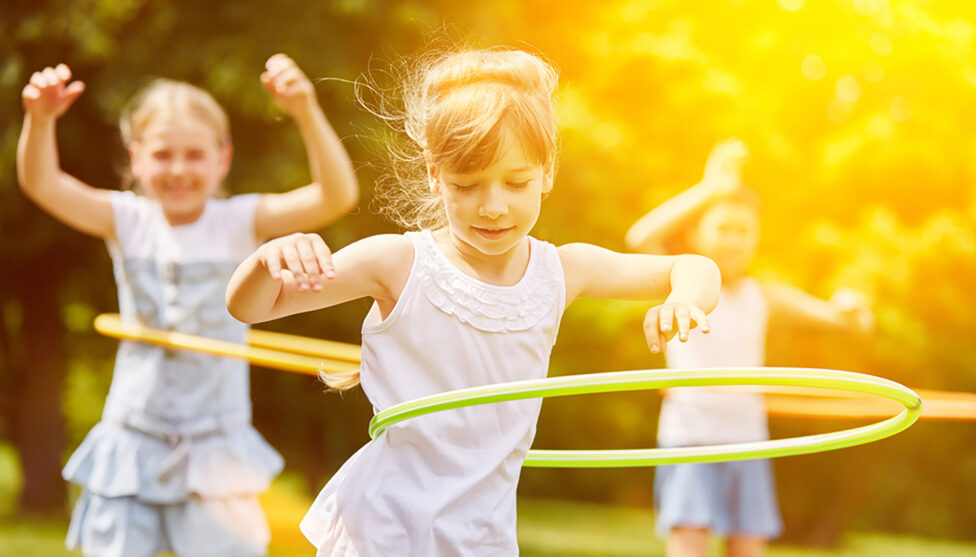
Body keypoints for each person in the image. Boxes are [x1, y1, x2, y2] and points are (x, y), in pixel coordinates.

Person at [225, 47, 723, 556]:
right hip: (386, 528)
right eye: (467, 184)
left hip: (482, 533)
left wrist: (684, 299)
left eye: (517, 182)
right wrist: (268, 261)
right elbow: (251, 308)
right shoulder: (397, 263)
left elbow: (697, 267)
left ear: (547, 171)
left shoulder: (562, 271)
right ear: (435, 174)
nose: (493, 206)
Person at [16, 54, 359, 557]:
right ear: (136, 159)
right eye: (162, 155)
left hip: (215, 443)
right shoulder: (127, 219)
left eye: (195, 155)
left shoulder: (241, 220)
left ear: (223, 158)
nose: (178, 169)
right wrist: (40, 119)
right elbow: (43, 184)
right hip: (134, 435)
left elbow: (336, 195)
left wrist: (306, 111)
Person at [625, 139, 875, 557]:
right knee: (689, 548)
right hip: (691, 441)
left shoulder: (765, 296)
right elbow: (639, 238)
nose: (734, 241)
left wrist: (852, 307)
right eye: (723, 228)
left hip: (748, 443)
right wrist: (711, 187)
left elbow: (846, 321)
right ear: (696, 233)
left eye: (744, 231)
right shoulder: (679, 282)